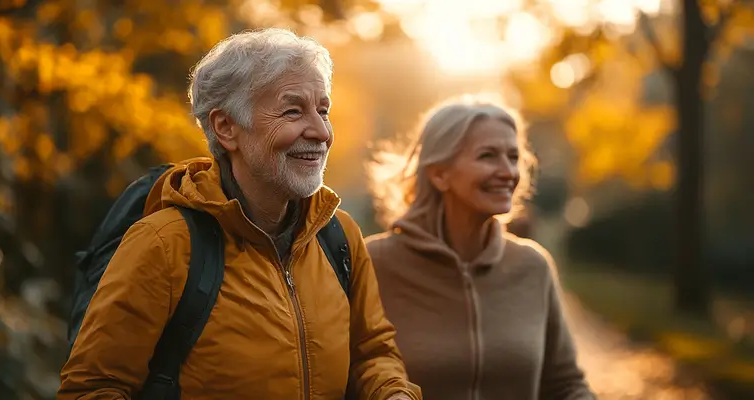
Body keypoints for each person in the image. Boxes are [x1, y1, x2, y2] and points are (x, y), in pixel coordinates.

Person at [58, 28, 421, 400]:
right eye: (293, 111)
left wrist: (393, 393)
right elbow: (93, 389)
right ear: (226, 127)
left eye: (323, 110)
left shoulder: (338, 236)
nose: (321, 132)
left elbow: (371, 353)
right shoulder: (164, 244)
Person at [364, 95, 594, 400]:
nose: (508, 172)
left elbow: (565, 385)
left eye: (513, 157)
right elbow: (347, 375)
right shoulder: (372, 263)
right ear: (439, 174)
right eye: (488, 156)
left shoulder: (533, 266)